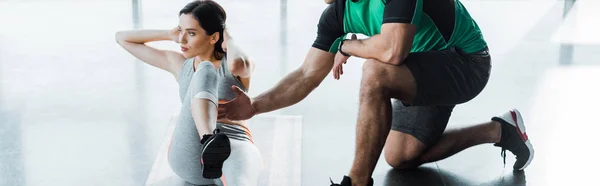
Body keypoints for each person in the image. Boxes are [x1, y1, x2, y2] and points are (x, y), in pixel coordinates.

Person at [218, 0, 534, 185]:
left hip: (466, 64)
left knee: (376, 71)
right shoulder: (336, 15)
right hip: (421, 70)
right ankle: (502, 130)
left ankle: (356, 183)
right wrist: (255, 106)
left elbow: (393, 51)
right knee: (400, 157)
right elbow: (306, 74)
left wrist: (347, 46)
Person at [115, 0, 261, 185]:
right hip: (192, 148)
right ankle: (209, 139)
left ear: (214, 37)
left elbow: (239, 63)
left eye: (191, 33)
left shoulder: (233, 65)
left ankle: (213, 149)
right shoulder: (179, 64)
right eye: (180, 31)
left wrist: (229, 38)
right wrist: (169, 35)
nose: (182, 40)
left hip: (234, 141)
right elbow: (122, 38)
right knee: (205, 69)